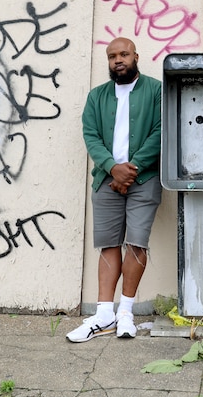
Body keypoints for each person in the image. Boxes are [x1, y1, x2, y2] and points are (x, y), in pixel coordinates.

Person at [67, 37, 162, 343]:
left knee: (136, 243)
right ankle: (104, 312)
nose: (117, 60)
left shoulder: (156, 91)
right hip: (106, 180)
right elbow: (90, 135)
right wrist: (112, 167)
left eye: (123, 54)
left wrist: (131, 168)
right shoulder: (97, 96)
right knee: (108, 244)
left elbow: (162, 131)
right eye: (112, 56)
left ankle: (126, 313)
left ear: (136, 56)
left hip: (143, 179)